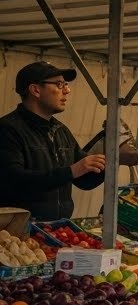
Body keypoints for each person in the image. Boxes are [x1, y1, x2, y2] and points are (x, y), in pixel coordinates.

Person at [0, 62, 109, 220]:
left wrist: (111, 162)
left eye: (65, 84)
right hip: (19, 231)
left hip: (58, 228)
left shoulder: (61, 131)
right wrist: (72, 170)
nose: (67, 90)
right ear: (35, 90)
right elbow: (15, 181)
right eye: (59, 84)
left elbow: (83, 181)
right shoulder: (8, 129)